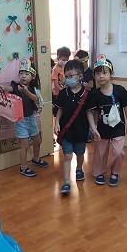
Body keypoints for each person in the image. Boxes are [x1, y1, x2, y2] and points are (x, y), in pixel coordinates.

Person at [86, 55, 127, 187]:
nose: (101, 76)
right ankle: (100, 173)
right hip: (102, 130)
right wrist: (94, 129)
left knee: (118, 152)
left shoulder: (119, 90)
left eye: (105, 72)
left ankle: (115, 172)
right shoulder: (95, 94)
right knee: (100, 153)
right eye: (98, 73)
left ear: (111, 73)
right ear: (94, 76)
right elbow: (90, 111)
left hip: (119, 128)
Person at [0, 59, 50, 177]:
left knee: (37, 141)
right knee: (25, 145)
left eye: (26, 74)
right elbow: (9, 88)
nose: (23, 76)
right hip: (20, 120)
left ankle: (36, 159)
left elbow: (35, 99)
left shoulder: (34, 89)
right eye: (21, 73)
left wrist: (26, 91)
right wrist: (3, 87)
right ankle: (23, 167)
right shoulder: (16, 86)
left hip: (31, 118)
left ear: (32, 76)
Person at [54, 59, 90, 195]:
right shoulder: (63, 93)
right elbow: (60, 109)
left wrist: (93, 128)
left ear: (80, 76)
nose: (68, 79)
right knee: (67, 155)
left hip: (81, 129)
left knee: (80, 153)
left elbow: (89, 112)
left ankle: (79, 169)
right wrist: (56, 123)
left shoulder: (87, 93)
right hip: (67, 130)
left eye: (71, 76)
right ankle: (67, 182)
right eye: (66, 76)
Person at [74, 49, 95, 142]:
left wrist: (81, 84)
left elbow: (91, 85)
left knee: (89, 117)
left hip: (89, 98)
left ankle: (89, 135)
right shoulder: (80, 72)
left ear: (85, 61)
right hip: (81, 98)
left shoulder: (89, 72)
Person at [51, 46, 70, 116]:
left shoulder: (68, 67)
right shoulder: (55, 69)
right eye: (63, 59)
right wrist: (63, 91)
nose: (65, 61)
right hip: (58, 93)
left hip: (67, 92)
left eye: (66, 60)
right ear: (58, 58)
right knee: (59, 110)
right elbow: (56, 83)